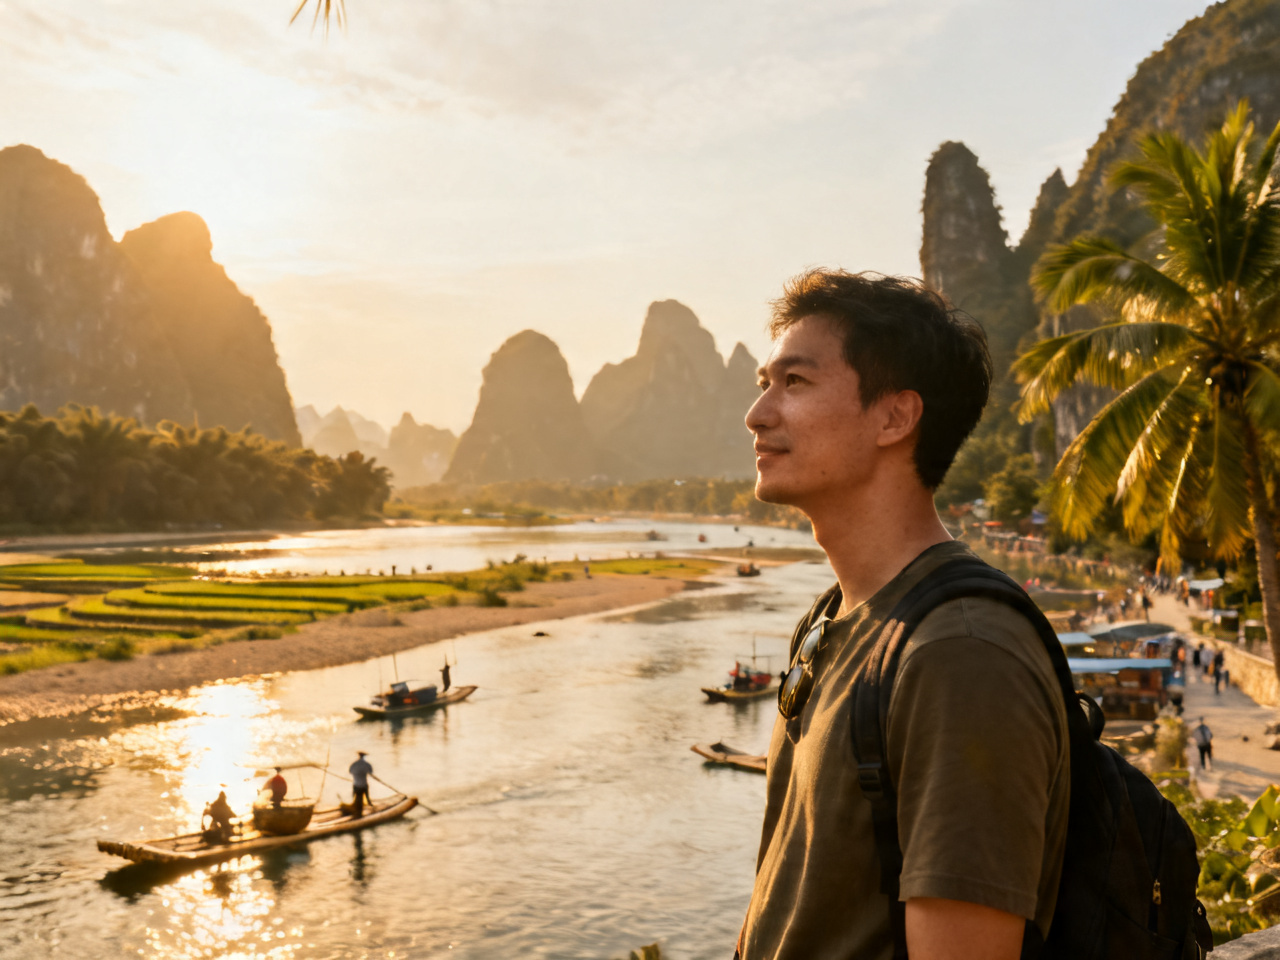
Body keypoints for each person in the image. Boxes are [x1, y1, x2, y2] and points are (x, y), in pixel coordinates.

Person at [737, 270, 1068, 960]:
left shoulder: (962, 654)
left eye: (794, 383)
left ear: (895, 417)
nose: (758, 413)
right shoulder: (832, 620)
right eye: (763, 383)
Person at [350, 751, 373, 818]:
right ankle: (368, 805)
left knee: (357, 798)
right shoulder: (367, 764)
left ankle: (356, 809)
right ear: (364, 757)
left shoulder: (353, 764)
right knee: (366, 797)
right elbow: (370, 772)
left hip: (356, 786)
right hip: (363, 786)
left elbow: (350, 771)